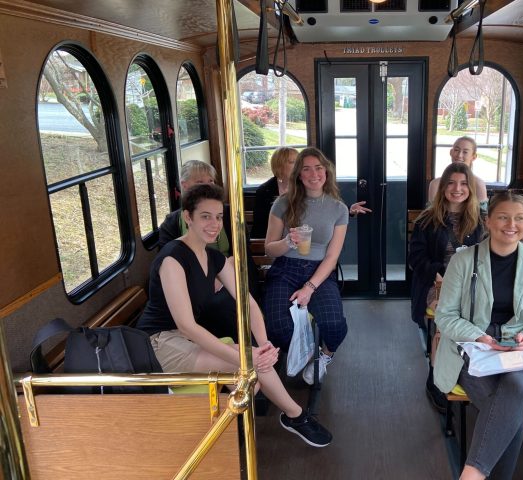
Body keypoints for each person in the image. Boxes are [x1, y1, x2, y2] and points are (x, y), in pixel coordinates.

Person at [137, 183, 332, 447]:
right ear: (187, 217)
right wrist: (245, 358)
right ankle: (295, 415)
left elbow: (248, 304)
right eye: (205, 216)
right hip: (159, 343)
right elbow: (186, 325)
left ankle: (224, 432)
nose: (214, 224)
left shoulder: (214, 257)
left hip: (186, 339)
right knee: (246, 368)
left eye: (218, 217)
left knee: (253, 374)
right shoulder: (172, 258)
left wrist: (263, 345)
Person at [433, 191, 523, 480]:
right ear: (488, 221)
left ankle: (471, 475)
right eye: (503, 217)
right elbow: (445, 315)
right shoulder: (463, 262)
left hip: (520, 349)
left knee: (514, 387)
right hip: (474, 346)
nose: (511, 224)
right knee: (509, 419)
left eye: (519, 218)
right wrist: (479, 337)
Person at [263, 147, 349, 385]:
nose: (314, 174)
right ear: (298, 175)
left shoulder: (339, 209)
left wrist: (310, 287)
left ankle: (325, 356)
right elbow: (269, 249)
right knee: (278, 326)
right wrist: (288, 241)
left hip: (319, 273)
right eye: (306, 169)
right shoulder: (282, 204)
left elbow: (332, 257)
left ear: (326, 172)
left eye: (318, 168)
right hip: (285, 269)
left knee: (333, 324)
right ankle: (308, 351)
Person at [408, 163, 486, 413]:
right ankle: (436, 379)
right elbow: (416, 258)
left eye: (463, 184)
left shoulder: (480, 221)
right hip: (437, 284)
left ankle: (472, 373)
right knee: (447, 322)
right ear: (442, 188)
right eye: (451, 183)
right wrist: (437, 275)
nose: (457, 189)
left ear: (470, 188)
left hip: (472, 286)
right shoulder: (427, 220)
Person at [158, 160, 260, 340]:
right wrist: (207, 278)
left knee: (235, 303)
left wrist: (224, 270)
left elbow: (242, 251)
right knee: (215, 305)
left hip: (234, 268)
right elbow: (171, 261)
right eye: (200, 182)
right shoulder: (171, 225)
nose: (207, 186)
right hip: (193, 282)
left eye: (211, 181)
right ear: (184, 185)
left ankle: (249, 350)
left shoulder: (229, 215)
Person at [251, 146, 371, 239]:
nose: (299, 165)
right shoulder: (265, 191)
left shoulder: (311, 184)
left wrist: (349, 210)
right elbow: (260, 229)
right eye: (293, 162)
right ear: (279, 165)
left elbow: (326, 207)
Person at [428, 136, 489, 212]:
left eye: (465, 152)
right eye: (456, 150)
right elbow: (431, 215)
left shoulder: (478, 184)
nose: (459, 155)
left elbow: (483, 217)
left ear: (474, 157)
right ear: (451, 152)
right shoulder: (435, 184)